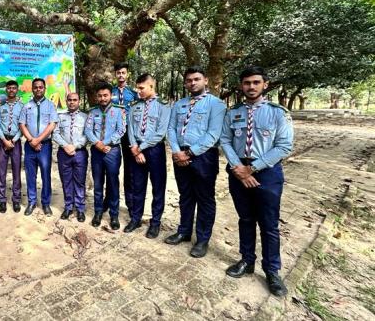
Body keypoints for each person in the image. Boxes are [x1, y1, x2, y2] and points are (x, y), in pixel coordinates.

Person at [220, 66, 294, 297]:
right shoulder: (233, 113)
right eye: (246, 83)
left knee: (269, 224)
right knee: (245, 218)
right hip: (238, 170)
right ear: (241, 86)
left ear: (265, 84)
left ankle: (272, 270)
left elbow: (284, 146)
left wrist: (251, 169)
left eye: (255, 82)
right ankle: (247, 260)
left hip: (267, 172)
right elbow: (225, 140)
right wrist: (238, 169)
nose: (251, 87)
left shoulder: (278, 113)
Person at [166, 66, 226, 258]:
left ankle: (202, 240)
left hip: (203, 157)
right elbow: (171, 129)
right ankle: (184, 231)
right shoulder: (179, 104)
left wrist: (189, 153)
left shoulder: (216, 104)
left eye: (196, 79)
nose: (192, 83)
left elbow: (213, 134)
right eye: (189, 80)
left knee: (205, 198)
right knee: (185, 195)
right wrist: (177, 151)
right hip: (179, 155)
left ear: (205, 80)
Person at [126, 74, 170, 238]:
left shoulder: (163, 106)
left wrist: (140, 148)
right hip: (136, 148)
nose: (138, 91)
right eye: (137, 88)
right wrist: (134, 147)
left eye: (141, 88)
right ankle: (135, 218)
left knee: (158, 187)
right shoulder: (134, 105)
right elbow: (130, 128)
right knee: (137, 186)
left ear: (151, 86)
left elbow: (161, 132)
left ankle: (155, 222)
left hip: (154, 150)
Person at [84, 82, 126, 230]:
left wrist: (105, 143)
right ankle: (98, 212)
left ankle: (114, 215)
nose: (103, 98)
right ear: (97, 97)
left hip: (112, 151)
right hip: (97, 151)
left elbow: (121, 130)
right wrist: (97, 143)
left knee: (113, 183)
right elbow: (88, 130)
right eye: (100, 96)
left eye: (105, 95)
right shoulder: (92, 112)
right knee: (97, 183)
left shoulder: (118, 111)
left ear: (111, 95)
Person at [19, 78, 59, 216]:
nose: (38, 89)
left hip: (45, 146)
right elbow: (22, 124)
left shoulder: (51, 106)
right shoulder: (26, 106)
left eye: (40, 87)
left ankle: (46, 203)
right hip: (29, 145)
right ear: (32, 89)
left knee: (45, 174)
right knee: (30, 175)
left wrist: (38, 140)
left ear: (44, 89)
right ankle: (31, 202)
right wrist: (32, 140)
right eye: (35, 87)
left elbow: (52, 124)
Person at [52, 92, 88, 222]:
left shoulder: (85, 117)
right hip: (64, 153)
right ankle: (68, 207)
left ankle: (80, 208)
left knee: (80, 181)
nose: (72, 102)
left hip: (79, 153)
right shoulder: (60, 117)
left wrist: (75, 146)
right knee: (66, 180)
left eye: (74, 100)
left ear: (79, 101)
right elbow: (55, 133)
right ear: (66, 101)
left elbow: (88, 134)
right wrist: (65, 145)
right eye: (69, 100)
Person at [111, 62, 138, 214]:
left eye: (123, 73)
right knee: (112, 166)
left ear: (127, 74)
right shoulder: (110, 92)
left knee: (129, 167)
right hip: (113, 131)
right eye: (118, 73)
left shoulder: (133, 93)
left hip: (128, 132)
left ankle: (130, 203)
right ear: (115, 74)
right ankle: (109, 200)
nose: (121, 75)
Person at [0, 80, 24, 213]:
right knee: (1, 172)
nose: (11, 90)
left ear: (17, 90)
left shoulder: (22, 107)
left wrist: (13, 140)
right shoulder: (0, 107)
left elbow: (23, 126)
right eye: (9, 88)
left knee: (16, 171)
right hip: (2, 141)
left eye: (14, 88)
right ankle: (2, 200)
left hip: (15, 141)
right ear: (6, 90)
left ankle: (16, 200)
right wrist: (4, 140)